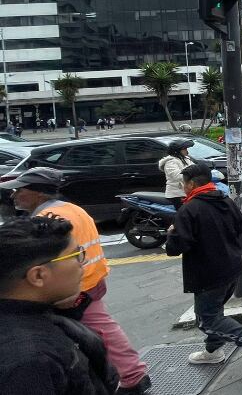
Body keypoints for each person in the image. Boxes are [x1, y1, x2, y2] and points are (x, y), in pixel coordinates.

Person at [0, 168, 151, 394]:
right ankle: (133, 374)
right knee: (102, 329)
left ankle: (132, 375)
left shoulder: (46, 221)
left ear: (38, 194)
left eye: (20, 190)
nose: (13, 196)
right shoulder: (71, 208)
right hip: (93, 280)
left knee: (99, 332)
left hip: (80, 289)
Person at [165, 163, 242, 369]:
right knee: (216, 312)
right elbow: (240, 226)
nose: (182, 187)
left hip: (208, 274)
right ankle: (213, 351)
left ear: (192, 184)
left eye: (183, 183)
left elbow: (177, 247)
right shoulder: (225, 200)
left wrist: (171, 233)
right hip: (232, 268)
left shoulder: (189, 209)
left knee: (207, 319)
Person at [0, 216, 120, 394]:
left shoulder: (41, 315)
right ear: (38, 276)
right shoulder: (29, 361)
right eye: (76, 255)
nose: (83, 262)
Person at [160, 139, 194, 209]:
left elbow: (196, 168)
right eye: (184, 149)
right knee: (185, 213)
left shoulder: (186, 159)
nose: (187, 151)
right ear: (177, 151)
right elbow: (178, 176)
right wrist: (192, 174)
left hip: (188, 191)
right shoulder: (170, 162)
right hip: (177, 194)